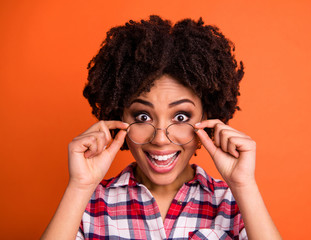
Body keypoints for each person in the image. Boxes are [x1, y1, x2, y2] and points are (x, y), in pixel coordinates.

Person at [41, 15, 282, 240]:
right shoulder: (88, 205)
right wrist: (79, 186)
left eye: (180, 116)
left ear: (206, 120)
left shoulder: (234, 204)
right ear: (118, 118)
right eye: (143, 116)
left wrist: (244, 185)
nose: (160, 139)